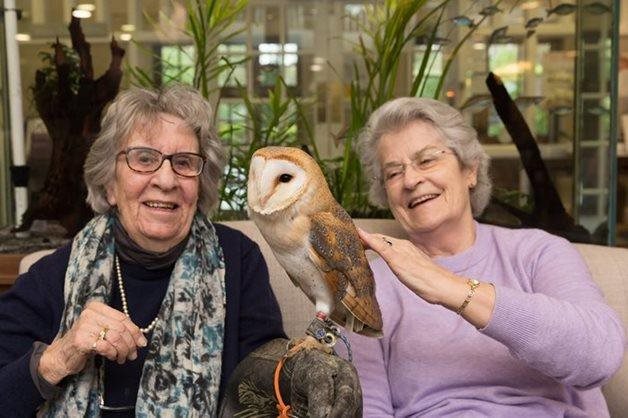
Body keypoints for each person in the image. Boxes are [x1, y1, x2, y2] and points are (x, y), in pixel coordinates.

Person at [0, 84, 359, 417]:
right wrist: (58, 357)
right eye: (144, 159)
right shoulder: (54, 275)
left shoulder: (236, 258)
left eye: (184, 162)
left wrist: (294, 372)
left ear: (200, 184)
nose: (167, 180)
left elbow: (257, 366)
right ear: (109, 183)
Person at [349, 97, 626, 417]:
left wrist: (450, 287)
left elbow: (599, 356)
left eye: (426, 160)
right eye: (394, 173)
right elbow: (368, 408)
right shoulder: (368, 287)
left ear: (470, 170)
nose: (411, 181)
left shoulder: (537, 253)